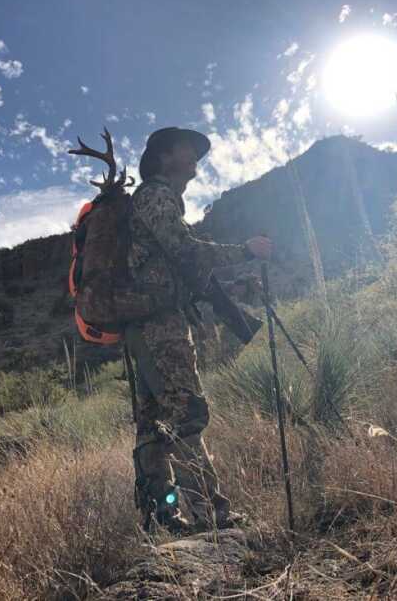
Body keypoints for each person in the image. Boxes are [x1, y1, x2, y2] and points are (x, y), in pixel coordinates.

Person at [125, 126, 272, 532]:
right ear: (163, 156)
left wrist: (231, 289)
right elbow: (185, 251)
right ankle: (211, 514)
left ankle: (162, 516)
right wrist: (244, 252)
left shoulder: (159, 201)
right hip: (161, 329)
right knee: (186, 412)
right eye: (186, 149)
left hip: (147, 327)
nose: (195, 156)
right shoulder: (155, 196)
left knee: (154, 422)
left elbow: (183, 265)